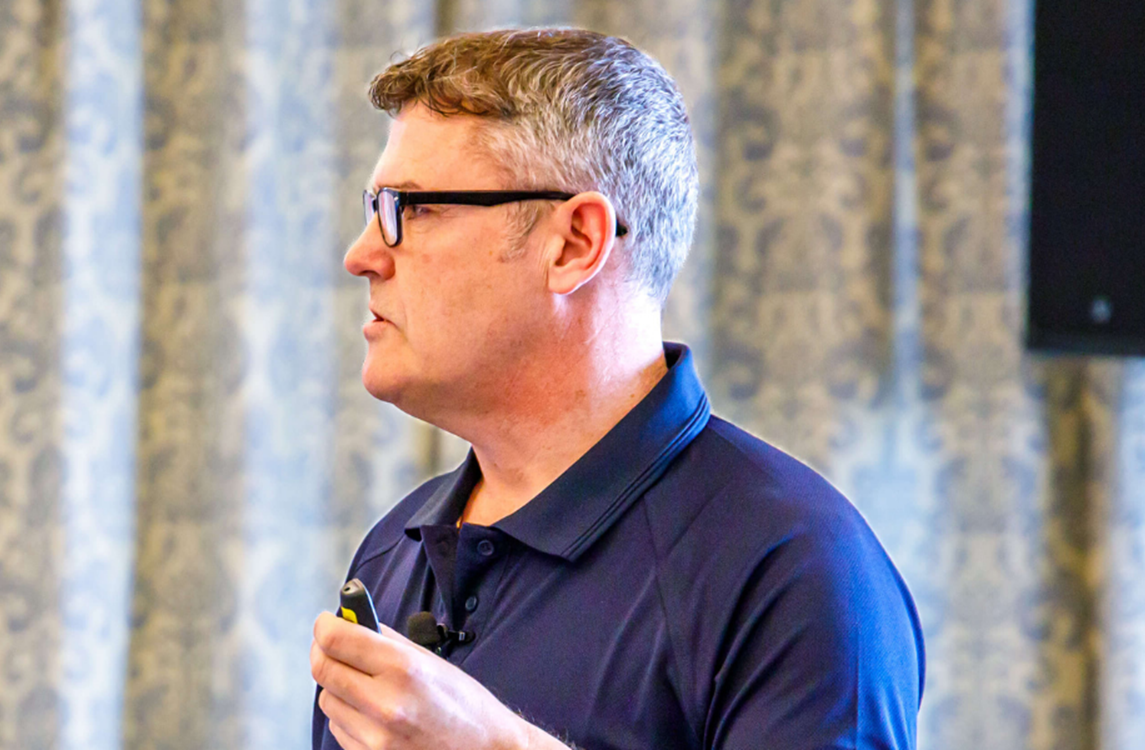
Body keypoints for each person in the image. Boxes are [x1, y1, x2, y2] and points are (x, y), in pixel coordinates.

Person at [309, 28, 923, 750]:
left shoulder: (798, 570)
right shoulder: (392, 551)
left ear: (574, 244)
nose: (362, 255)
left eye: (412, 209)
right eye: (374, 205)